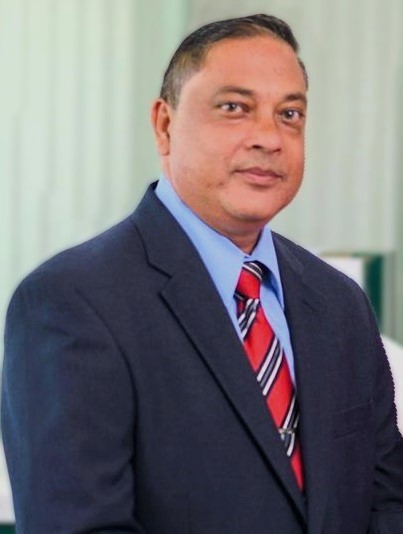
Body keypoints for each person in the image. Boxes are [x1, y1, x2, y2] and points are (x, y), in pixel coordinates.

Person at [2, 13, 403, 534]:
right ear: (165, 125)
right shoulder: (71, 301)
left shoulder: (339, 303)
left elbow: (386, 502)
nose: (269, 138)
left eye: (290, 114)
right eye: (234, 108)